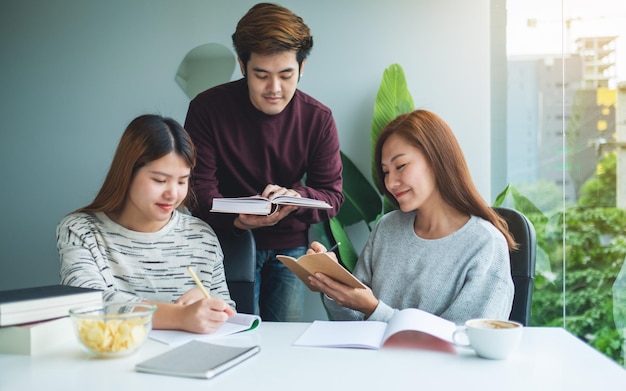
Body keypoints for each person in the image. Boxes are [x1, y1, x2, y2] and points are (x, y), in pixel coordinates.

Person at [184, 3, 343, 321]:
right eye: (262, 75)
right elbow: (196, 190)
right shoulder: (207, 109)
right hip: (226, 241)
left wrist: (297, 199)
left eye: (286, 75)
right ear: (242, 65)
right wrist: (240, 220)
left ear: (302, 67)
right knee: (230, 332)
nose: (275, 89)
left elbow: (332, 196)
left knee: (283, 341)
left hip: (290, 248)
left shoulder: (318, 118)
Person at [307, 109, 516, 325]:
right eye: (386, 171)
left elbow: (465, 337)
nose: (390, 183)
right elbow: (353, 319)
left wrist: (373, 308)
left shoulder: (485, 244)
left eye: (401, 166)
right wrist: (333, 286)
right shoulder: (387, 228)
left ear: (437, 159)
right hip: (373, 359)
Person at [56, 114, 236, 334]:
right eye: (159, 180)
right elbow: (85, 302)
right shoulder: (80, 230)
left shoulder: (201, 236)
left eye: (182, 181)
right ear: (127, 173)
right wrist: (179, 316)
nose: (173, 194)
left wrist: (213, 308)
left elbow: (229, 312)